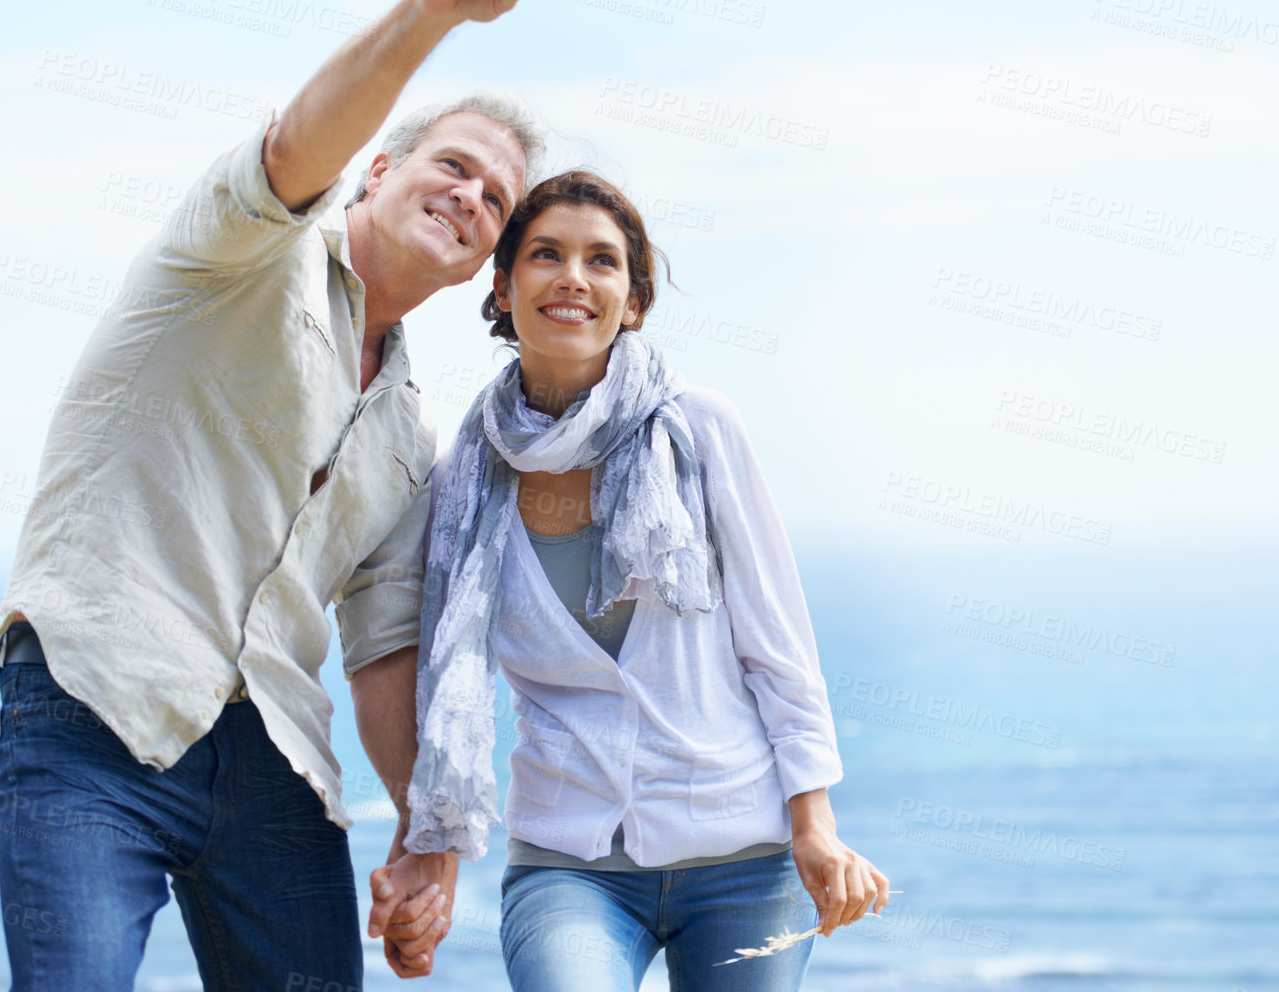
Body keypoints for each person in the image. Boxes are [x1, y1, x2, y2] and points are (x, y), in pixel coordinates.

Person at [0, 0, 550, 989]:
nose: (472, 196)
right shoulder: (242, 251)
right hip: (98, 697)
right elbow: (299, 141)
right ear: (380, 174)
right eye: (452, 166)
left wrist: (425, 829)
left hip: (273, 765)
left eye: (495, 199)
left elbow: (384, 646)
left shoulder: (412, 434)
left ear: (486, 264)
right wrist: (431, 13)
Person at [369, 171, 890, 988]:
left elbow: (777, 643)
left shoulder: (700, 429)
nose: (573, 277)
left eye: (602, 261)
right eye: (546, 254)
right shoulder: (461, 482)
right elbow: (430, 673)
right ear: (502, 288)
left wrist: (812, 825)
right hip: (566, 859)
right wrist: (426, 854)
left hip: (745, 860)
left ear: (632, 299)